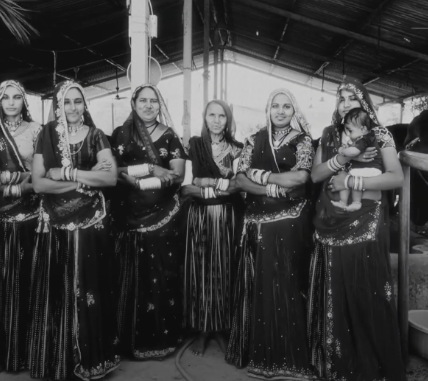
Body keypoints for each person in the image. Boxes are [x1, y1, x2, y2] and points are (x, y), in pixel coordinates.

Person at [308, 77, 406, 381]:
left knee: (369, 288)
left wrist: (353, 181)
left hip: (368, 221)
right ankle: (339, 363)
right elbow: (315, 176)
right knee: (335, 287)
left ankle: (375, 366)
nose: (346, 103)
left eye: (352, 97)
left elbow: (395, 177)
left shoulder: (380, 134)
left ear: (364, 101)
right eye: (341, 98)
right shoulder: (328, 135)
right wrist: (341, 160)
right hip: (331, 220)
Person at [28, 80, 120, 380]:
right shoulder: (46, 134)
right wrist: (83, 179)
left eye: (78, 101)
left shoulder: (96, 136)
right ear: (58, 104)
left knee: (89, 289)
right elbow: (40, 183)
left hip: (91, 225)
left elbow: (110, 179)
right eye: (67, 102)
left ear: (85, 104)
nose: (72, 107)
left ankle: (91, 358)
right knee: (59, 288)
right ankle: (61, 360)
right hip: (55, 225)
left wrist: (67, 172)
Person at [226, 88, 318, 380]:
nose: (280, 111)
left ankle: (290, 359)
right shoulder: (254, 139)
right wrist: (273, 186)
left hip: (292, 222)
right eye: (275, 106)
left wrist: (260, 175)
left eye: (286, 107)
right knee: (260, 286)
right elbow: (240, 178)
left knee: (288, 283)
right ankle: (260, 356)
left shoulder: (303, 140)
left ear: (294, 111)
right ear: (268, 109)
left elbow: (302, 177)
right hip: (256, 223)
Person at [110, 84, 186, 360]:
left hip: (164, 216)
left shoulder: (169, 136)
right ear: (134, 102)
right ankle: (128, 338)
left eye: (154, 101)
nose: (149, 106)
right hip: (127, 217)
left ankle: (161, 338)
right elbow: (112, 170)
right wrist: (149, 170)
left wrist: (141, 181)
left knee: (162, 276)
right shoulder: (120, 134)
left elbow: (177, 175)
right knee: (129, 276)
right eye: (143, 101)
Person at [181, 100, 244, 356]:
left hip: (227, 219)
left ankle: (224, 326)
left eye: (222, 116)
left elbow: (238, 186)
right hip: (199, 218)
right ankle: (202, 329)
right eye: (212, 115)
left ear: (228, 121)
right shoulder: (193, 146)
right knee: (200, 271)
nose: (217, 120)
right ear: (204, 118)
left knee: (225, 269)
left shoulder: (238, 149)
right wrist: (220, 186)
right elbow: (185, 187)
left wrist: (203, 182)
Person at [0, 80, 41, 372]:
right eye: (5, 98)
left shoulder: (37, 130)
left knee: (28, 281)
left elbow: (40, 171)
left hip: (30, 218)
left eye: (16, 97)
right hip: (1, 219)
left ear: (23, 100)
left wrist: (15, 185)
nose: (11, 102)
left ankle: (28, 351)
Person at [331, 107, 383, 211]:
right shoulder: (367, 136)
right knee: (345, 178)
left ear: (363, 129)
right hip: (370, 169)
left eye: (350, 130)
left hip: (369, 169)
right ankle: (343, 202)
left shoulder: (364, 138)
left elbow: (353, 152)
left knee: (352, 181)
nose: (349, 134)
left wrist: (342, 151)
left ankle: (356, 202)